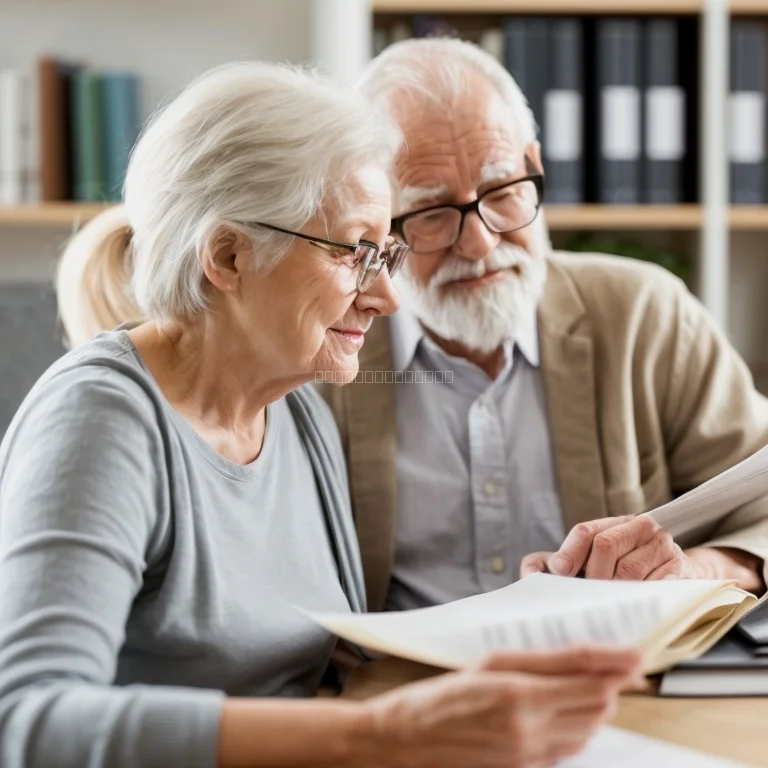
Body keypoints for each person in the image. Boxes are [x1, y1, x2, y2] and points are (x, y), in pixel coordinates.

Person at [0, 61, 641, 768]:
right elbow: (29, 721)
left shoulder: (299, 415)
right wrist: (381, 737)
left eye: (385, 253)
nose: (387, 298)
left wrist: (523, 633)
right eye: (356, 253)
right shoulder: (101, 420)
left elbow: (332, 665)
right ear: (228, 255)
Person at [319, 37, 768, 614]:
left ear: (534, 167)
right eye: (430, 212)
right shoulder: (326, 348)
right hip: (401, 691)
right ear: (377, 222)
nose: (479, 241)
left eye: (502, 191)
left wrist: (693, 573)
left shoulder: (646, 314)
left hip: (618, 684)